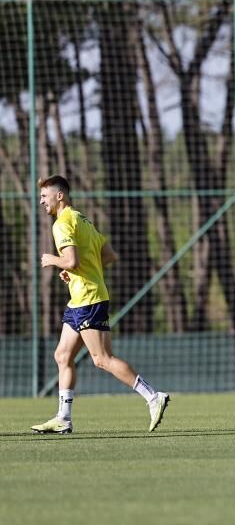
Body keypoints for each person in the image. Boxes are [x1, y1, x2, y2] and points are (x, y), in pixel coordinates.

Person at [31, 175, 169, 434]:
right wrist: (75, 270)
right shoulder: (82, 219)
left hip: (88, 299)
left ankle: (153, 396)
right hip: (81, 299)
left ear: (59, 196)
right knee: (62, 355)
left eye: (44, 196)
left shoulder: (62, 223)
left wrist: (53, 260)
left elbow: (71, 261)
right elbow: (109, 255)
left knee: (102, 359)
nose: (41, 201)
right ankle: (63, 418)